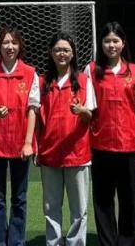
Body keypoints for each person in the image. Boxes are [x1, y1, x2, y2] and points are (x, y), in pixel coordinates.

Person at [0, 27, 39, 246]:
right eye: (5, 43)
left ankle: (17, 241)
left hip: (21, 145)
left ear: (20, 46)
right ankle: (0, 241)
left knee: (19, 197)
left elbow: (33, 109)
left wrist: (28, 143)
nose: (9, 47)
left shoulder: (30, 73)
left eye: (14, 42)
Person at [85, 22, 135, 246]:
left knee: (128, 198)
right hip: (100, 144)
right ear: (101, 44)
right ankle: (107, 242)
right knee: (103, 199)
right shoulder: (92, 70)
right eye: (107, 41)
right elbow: (88, 108)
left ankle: (127, 241)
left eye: (115, 41)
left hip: (129, 145)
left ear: (123, 43)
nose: (111, 45)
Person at [36, 33, 96, 246]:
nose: (62, 54)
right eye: (58, 50)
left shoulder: (84, 81)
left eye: (66, 50)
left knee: (79, 209)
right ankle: (53, 242)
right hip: (49, 153)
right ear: (51, 53)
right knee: (51, 207)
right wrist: (36, 147)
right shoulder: (42, 82)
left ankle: (75, 243)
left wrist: (82, 111)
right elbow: (36, 117)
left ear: (73, 54)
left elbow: (91, 115)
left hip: (77, 153)